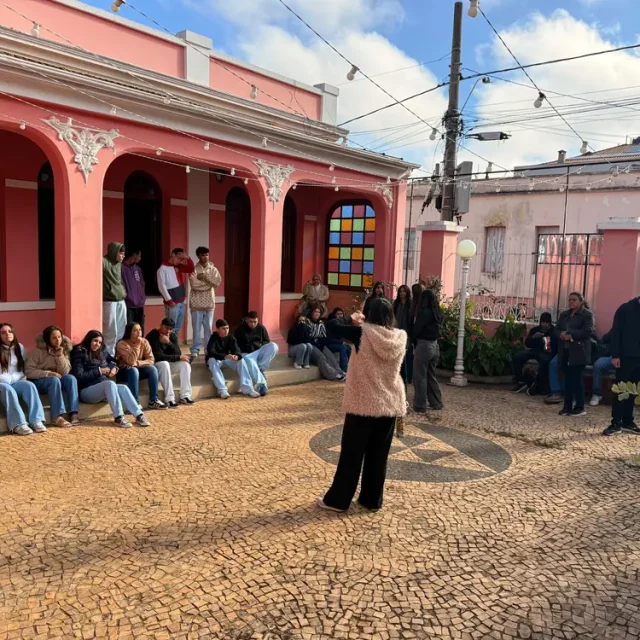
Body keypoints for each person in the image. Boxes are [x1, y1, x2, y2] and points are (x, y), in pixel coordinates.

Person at [316, 298, 407, 513]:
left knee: (351, 454)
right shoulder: (400, 336)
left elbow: (330, 326)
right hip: (389, 404)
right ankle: (371, 500)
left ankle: (338, 501)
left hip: (363, 404)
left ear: (368, 313)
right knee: (378, 455)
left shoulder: (362, 333)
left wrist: (352, 317)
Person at [71, 330, 150, 427]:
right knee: (110, 384)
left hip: (103, 388)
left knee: (123, 388)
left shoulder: (102, 351)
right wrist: (99, 371)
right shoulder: (80, 352)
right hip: (86, 391)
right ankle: (118, 417)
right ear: (89, 340)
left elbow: (113, 361)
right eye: (95, 341)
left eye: (100, 342)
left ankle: (139, 415)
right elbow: (79, 376)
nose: (97, 344)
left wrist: (114, 368)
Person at [25, 325, 80, 428]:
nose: (57, 340)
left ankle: (73, 413)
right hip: (38, 381)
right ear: (48, 339)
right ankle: (57, 416)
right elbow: (28, 371)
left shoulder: (63, 350)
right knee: (54, 380)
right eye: (54, 338)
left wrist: (60, 356)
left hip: (56, 380)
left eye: (59, 337)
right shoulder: (37, 352)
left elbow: (65, 372)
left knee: (71, 378)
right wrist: (48, 373)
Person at [603, 296, 640, 436]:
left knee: (633, 391)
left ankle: (628, 421)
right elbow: (616, 332)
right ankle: (616, 423)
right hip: (625, 357)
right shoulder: (625, 309)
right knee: (620, 390)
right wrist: (615, 355)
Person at [0, 323, 46, 435]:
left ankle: (36, 420)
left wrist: (15, 378)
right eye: (3, 333)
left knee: (30, 386)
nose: (7, 334)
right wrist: (7, 379)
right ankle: (18, 424)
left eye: (10, 331)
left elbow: (23, 367)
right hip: (2, 383)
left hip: (16, 381)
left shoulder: (19, 347)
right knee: (8, 390)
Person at [556, 292, 595, 417]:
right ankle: (567, 406)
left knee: (577, 379)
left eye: (574, 300)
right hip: (565, 350)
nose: (571, 302)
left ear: (580, 301)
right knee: (567, 379)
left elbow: (588, 331)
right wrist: (561, 334)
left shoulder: (587, 314)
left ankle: (580, 406)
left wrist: (570, 333)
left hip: (579, 351)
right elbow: (557, 329)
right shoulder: (564, 314)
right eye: (569, 300)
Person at [116, 322, 166, 410]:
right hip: (124, 371)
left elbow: (151, 360)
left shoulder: (144, 342)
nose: (139, 332)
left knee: (152, 369)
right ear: (129, 332)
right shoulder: (122, 344)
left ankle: (153, 400)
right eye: (135, 330)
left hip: (136, 368)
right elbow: (130, 361)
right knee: (133, 370)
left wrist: (137, 363)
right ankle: (134, 403)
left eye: (140, 330)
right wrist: (137, 346)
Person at [146, 318, 195, 408]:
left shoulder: (172, 336)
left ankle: (185, 396)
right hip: (154, 365)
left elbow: (178, 353)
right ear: (161, 325)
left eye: (170, 329)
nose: (168, 331)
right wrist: (177, 357)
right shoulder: (153, 335)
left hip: (168, 363)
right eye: (166, 328)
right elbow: (158, 356)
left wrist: (169, 342)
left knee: (185, 365)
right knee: (164, 364)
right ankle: (169, 399)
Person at [206, 319, 260, 399]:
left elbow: (237, 350)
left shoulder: (231, 337)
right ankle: (222, 390)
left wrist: (236, 356)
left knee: (241, 361)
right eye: (223, 329)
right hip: (217, 359)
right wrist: (224, 356)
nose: (226, 331)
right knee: (212, 361)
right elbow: (211, 352)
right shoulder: (213, 337)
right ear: (217, 329)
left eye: (227, 328)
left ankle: (248, 389)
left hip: (227, 359)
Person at [412, 289, 444, 413]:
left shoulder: (424, 312)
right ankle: (436, 402)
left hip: (424, 345)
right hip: (435, 345)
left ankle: (420, 405)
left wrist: (411, 340)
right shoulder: (437, 312)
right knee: (431, 376)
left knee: (419, 376)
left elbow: (417, 329)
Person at [511, 312, 557, 394]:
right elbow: (527, 344)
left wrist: (545, 340)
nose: (543, 324)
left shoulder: (553, 331)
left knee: (545, 361)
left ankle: (539, 385)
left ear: (549, 323)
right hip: (534, 351)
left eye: (546, 323)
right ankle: (521, 381)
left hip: (545, 352)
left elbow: (554, 346)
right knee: (517, 357)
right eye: (542, 322)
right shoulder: (535, 330)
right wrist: (533, 337)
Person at [189, 246, 221, 362]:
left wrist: (205, 278)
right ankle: (195, 349)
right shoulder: (193, 269)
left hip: (209, 303)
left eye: (207, 254)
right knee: (196, 328)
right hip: (196, 302)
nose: (205, 257)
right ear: (198, 256)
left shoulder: (213, 269)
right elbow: (194, 285)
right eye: (203, 255)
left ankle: (208, 348)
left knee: (208, 328)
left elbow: (217, 282)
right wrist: (208, 285)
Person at [157, 248, 195, 335]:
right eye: (178, 258)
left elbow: (191, 268)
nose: (179, 261)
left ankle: (174, 343)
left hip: (181, 302)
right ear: (173, 255)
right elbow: (161, 286)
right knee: (170, 328)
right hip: (172, 304)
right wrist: (169, 301)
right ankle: (168, 342)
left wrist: (188, 258)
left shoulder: (178, 267)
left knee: (177, 328)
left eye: (181, 259)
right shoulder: (162, 269)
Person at [306, 306, 346, 381]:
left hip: (319, 343)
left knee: (330, 356)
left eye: (318, 312)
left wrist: (320, 344)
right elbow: (306, 336)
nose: (317, 313)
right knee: (321, 357)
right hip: (310, 344)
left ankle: (340, 372)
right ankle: (333, 375)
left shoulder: (321, 323)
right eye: (315, 312)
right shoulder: (307, 322)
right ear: (311, 313)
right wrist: (316, 343)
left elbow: (324, 337)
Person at [103, 241, 127, 355]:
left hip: (121, 300)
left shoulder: (119, 265)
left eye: (124, 254)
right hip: (109, 301)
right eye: (121, 253)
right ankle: (109, 356)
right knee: (110, 330)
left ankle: (117, 354)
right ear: (114, 252)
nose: (123, 256)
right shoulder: (104, 262)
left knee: (121, 329)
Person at [122, 248, 146, 332]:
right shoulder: (122, 268)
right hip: (128, 305)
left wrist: (143, 297)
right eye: (139, 256)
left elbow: (142, 283)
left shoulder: (138, 269)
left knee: (140, 328)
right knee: (130, 329)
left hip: (139, 305)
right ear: (134, 255)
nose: (140, 258)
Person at [393, 285, 413, 384]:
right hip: (396, 331)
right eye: (400, 291)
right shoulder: (396, 303)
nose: (402, 293)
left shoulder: (410, 303)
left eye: (404, 291)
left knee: (405, 354)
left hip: (407, 333)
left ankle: (407, 378)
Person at [590, 330, 615, 407]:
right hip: (613, 357)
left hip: (629, 358)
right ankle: (597, 394)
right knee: (598, 364)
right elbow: (605, 338)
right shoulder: (617, 327)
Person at [325, 308, 352, 373]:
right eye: (338, 314)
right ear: (334, 315)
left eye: (341, 314)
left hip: (337, 343)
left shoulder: (341, 324)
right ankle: (344, 370)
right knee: (343, 347)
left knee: (348, 347)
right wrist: (341, 342)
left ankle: (352, 368)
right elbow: (328, 339)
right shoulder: (331, 323)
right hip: (328, 344)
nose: (340, 316)